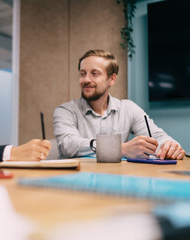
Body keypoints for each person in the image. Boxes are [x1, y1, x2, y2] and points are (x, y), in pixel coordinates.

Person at [53, 49, 185, 160]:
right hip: (76, 183)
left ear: (112, 79)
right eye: (83, 74)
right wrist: (120, 148)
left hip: (118, 180)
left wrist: (171, 146)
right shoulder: (65, 111)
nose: (86, 79)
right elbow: (68, 145)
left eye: (94, 74)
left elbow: (157, 137)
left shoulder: (129, 108)